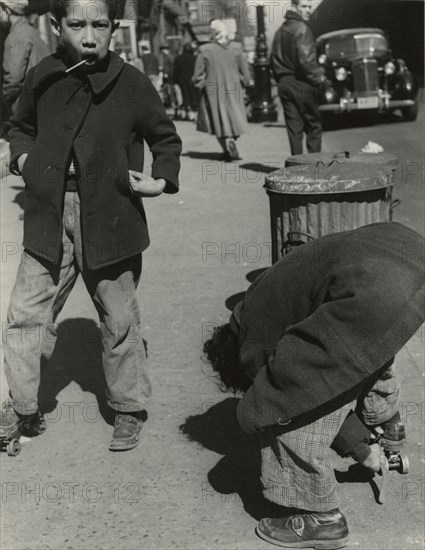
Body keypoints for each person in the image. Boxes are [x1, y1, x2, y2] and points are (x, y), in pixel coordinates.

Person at [0, 0, 181, 452]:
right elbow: (19, 127)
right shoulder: (43, 76)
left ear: (113, 27)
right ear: (57, 25)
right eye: (76, 25)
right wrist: (23, 158)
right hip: (48, 214)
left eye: (99, 25)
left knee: (119, 318)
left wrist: (161, 179)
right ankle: (21, 406)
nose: (88, 36)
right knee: (25, 315)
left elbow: (165, 137)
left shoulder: (132, 83)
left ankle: (128, 408)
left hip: (111, 217)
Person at [204, 222, 425, 549]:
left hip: (375, 287)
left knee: (285, 400)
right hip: (404, 252)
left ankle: (320, 519)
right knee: (368, 347)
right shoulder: (260, 293)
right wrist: (363, 447)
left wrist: (255, 410)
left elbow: (312, 393)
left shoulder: (252, 341)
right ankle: (387, 425)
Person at [270, 0, 325, 155]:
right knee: (313, 126)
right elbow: (307, 62)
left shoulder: (280, 31)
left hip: (284, 84)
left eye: (310, 7)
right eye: (304, 7)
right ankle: (315, 168)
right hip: (302, 83)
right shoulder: (302, 29)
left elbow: (272, 60)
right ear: (294, 7)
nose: (309, 10)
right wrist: (318, 80)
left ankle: (297, 168)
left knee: (294, 129)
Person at [193, 19, 249, 162]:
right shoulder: (237, 47)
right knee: (237, 118)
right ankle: (232, 141)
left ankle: (226, 147)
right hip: (234, 88)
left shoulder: (205, 50)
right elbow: (245, 73)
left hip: (213, 90)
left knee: (216, 120)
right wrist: (243, 83)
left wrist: (202, 84)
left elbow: (197, 75)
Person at [1, 2, 51, 116]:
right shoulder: (31, 32)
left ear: (7, 11)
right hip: (42, 106)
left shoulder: (16, 36)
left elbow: (13, 82)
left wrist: (5, 102)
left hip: (26, 111)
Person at [173, 42, 199, 121]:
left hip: (182, 79)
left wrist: (175, 80)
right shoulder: (195, 58)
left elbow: (175, 71)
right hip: (193, 79)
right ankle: (194, 113)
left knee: (185, 95)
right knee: (194, 95)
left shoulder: (178, 58)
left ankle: (187, 112)